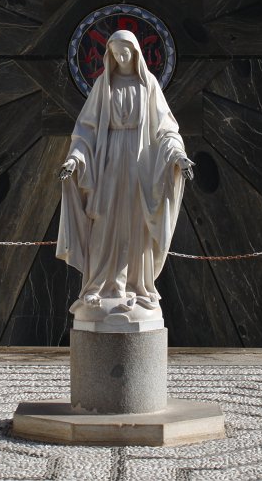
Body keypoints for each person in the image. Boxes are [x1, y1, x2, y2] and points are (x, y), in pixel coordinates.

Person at [57, 30, 193, 328]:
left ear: (135, 54)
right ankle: (100, 286)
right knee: (104, 222)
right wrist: (74, 158)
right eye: (116, 54)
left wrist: (178, 156)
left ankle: (135, 286)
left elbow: (165, 130)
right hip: (109, 162)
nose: (121, 58)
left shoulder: (150, 86)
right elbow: (86, 131)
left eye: (126, 53)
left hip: (141, 163)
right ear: (109, 56)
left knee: (136, 223)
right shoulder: (102, 87)